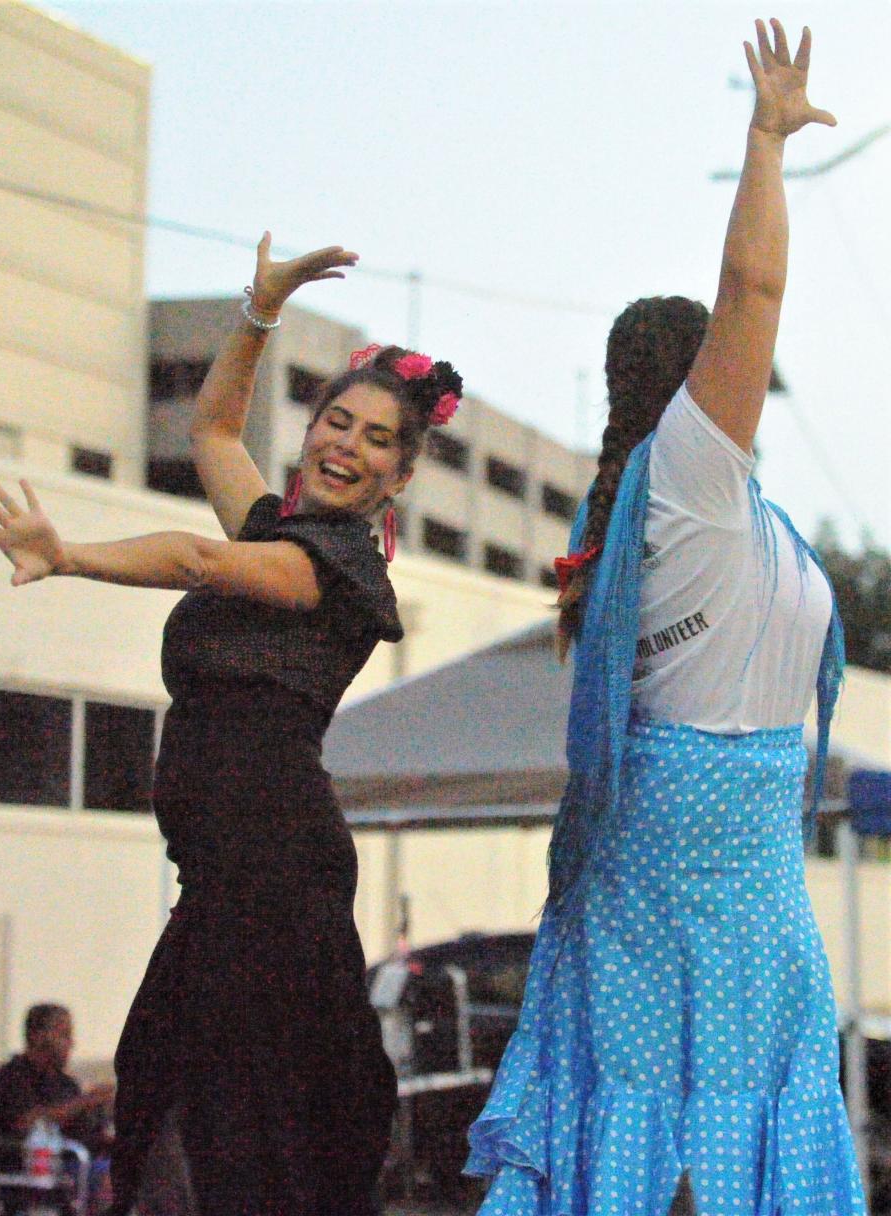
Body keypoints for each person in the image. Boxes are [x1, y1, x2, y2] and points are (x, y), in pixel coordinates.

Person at [0, 234, 465, 1216]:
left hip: (275, 875)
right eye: (337, 420)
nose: (345, 445)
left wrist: (67, 552)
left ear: (398, 476)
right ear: (314, 423)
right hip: (228, 876)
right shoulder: (280, 527)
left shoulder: (336, 570)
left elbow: (199, 559)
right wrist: (259, 310)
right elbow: (211, 432)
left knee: (241, 1120)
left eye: (374, 440)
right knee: (171, 1087)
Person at [466, 20, 866, 1216]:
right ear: (694, 377)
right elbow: (756, 285)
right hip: (702, 899)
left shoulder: (694, 517)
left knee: (661, 1167)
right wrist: (764, 145)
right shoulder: (689, 482)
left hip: (723, 891)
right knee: (695, 1175)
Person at [0, 1003, 114, 1216]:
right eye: (65, 1035)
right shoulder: (10, 1079)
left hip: (74, 1163)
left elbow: (86, 1133)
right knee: (110, 1176)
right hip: (33, 1171)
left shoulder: (65, 1083)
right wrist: (85, 1101)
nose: (72, 1043)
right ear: (38, 1037)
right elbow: (26, 1122)